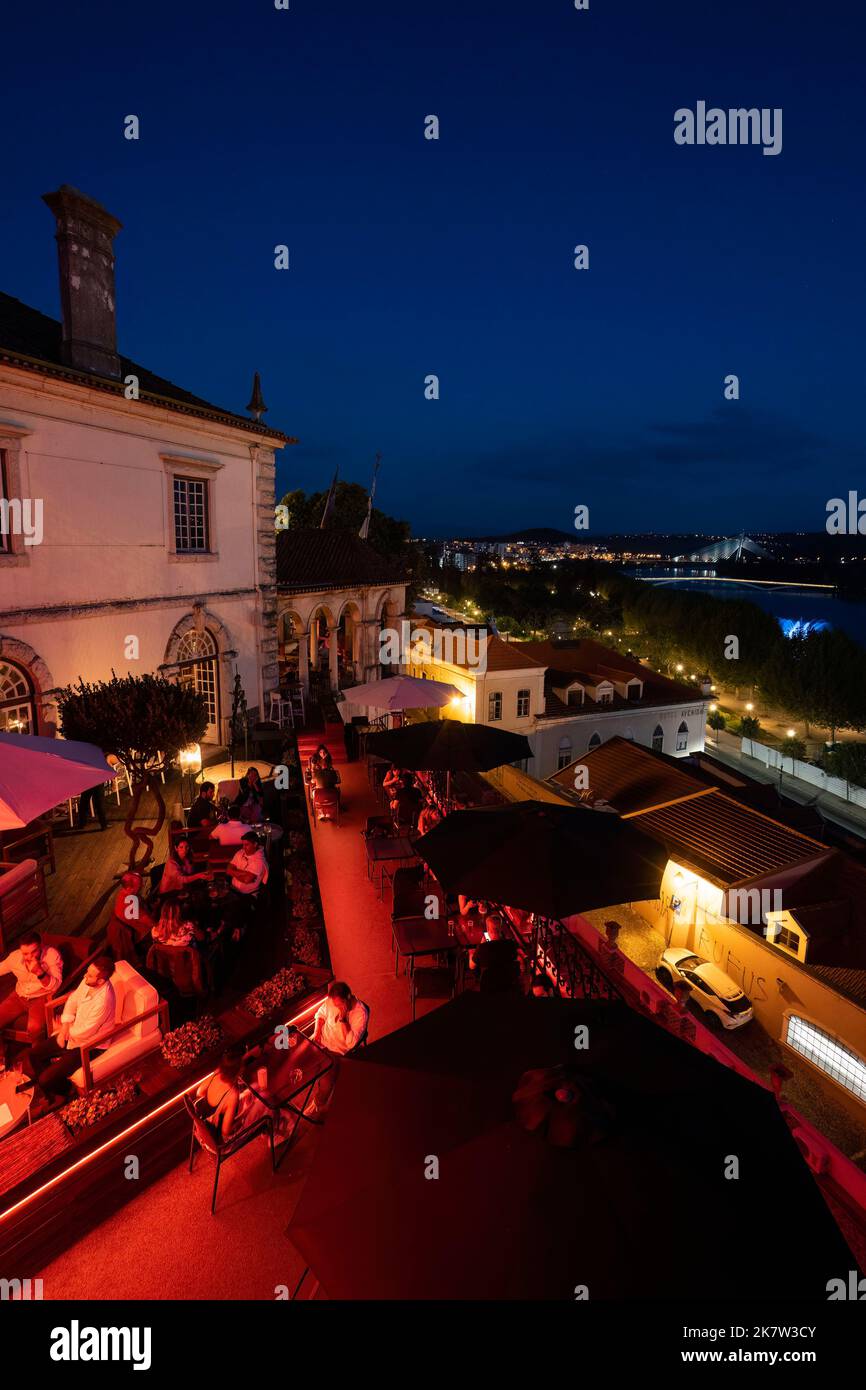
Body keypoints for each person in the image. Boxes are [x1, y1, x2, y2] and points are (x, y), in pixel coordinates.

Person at [23, 956, 116, 1104]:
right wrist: (65, 1026)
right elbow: (73, 1000)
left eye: (90, 975)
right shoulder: (88, 982)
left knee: (45, 1078)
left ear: (100, 981)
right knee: (33, 1054)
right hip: (71, 1032)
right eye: (87, 971)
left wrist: (64, 1031)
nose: (85, 975)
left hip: (91, 1045)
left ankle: (68, 1091)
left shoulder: (104, 1001)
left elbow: (87, 1032)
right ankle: (53, 1087)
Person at [0, 931, 64, 1060]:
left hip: (42, 996)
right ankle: (1, 1059)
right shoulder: (14, 957)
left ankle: (37, 1059)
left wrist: (39, 972)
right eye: (25, 953)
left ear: (40, 946)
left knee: (34, 1028)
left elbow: (56, 985)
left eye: (34, 951)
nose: (29, 956)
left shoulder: (52, 955)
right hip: (19, 996)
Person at [308, 982, 369, 1116]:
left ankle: (317, 1104)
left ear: (348, 998)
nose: (336, 1007)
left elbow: (350, 1043)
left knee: (326, 1082)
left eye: (339, 1005)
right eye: (334, 1004)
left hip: (336, 1052)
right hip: (321, 1041)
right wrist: (317, 1032)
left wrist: (343, 1019)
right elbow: (321, 1014)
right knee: (301, 1066)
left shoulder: (360, 1013)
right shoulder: (332, 1001)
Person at [194, 1048, 244, 1140]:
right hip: (214, 1139)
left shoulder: (215, 1076)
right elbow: (225, 1132)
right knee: (257, 1106)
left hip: (202, 1130)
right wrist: (242, 1117)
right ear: (238, 1072)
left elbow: (199, 1092)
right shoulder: (233, 1094)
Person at [224, 833, 269, 934]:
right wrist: (243, 874)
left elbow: (247, 880)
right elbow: (228, 870)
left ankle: (237, 931)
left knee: (236, 909)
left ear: (255, 844)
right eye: (243, 844)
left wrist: (234, 872)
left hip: (247, 895)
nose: (243, 847)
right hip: (233, 889)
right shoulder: (240, 853)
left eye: (246, 845)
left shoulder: (259, 861)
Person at [107, 872, 155, 962]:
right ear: (129, 887)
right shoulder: (130, 902)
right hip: (135, 933)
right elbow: (147, 921)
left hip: (131, 927)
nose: (142, 885)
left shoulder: (124, 893)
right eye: (139, 885)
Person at [469, 913, 522, 994]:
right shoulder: (510, 944)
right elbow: (517, 960)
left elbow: (472, 966)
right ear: (501, 928)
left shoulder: (483, 948)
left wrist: (471, 953)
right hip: (507, 983)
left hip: (488, 985)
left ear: (488, 929)